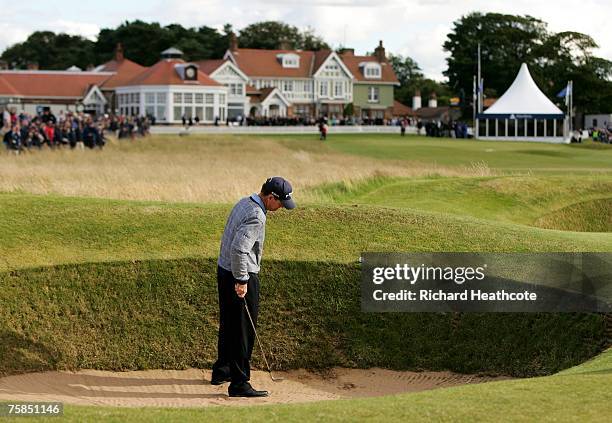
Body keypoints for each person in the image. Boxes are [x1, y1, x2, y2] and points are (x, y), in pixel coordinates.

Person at [212, 177, 296, 397]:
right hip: (239, 273)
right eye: (280, 203)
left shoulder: (244, 202)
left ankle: (222, 370)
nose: (280, 208)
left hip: (224, 270)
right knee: (243, 331)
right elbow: (240, 250)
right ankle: (239, 383)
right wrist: (241, 281)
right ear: (270, 198)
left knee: (229, 324)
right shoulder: (257, 216)